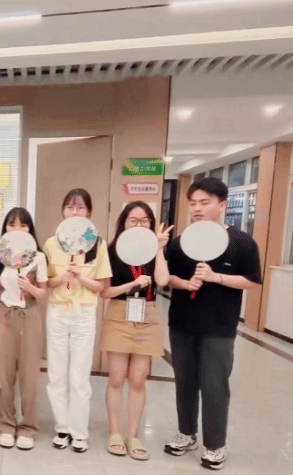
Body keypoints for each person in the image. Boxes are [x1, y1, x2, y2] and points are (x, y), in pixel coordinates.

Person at [163, 177, 261, 470]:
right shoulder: (180, 243)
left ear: (222, 205)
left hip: (219, 327)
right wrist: (183, 282)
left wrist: (216, 277)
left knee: (214, 386)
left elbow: (252, 281)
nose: (197, 209)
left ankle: (215, 445)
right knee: (184, 382)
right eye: (193, 203)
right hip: (181, 323)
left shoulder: (242, 243)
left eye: (204, 203)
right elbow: (166, 277)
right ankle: (186, 433)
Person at [100, 201, 172, 460]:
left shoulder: (154, 251)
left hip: (147, 315)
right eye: (133, 220)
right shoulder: (111, 251)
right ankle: (114, 432)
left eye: (145, 220)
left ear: (151, 224)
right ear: (124, 222)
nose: (139, 224)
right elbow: (105, 292)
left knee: (138, 380)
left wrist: (160, 249)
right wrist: (133, 284)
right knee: (116, 378)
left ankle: (133, 435)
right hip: (119, 314)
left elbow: (162, 280)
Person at [44, 188, 112, 453]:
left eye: (80, 207)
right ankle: (62, 427)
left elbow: (103, 286)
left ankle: (79, 432)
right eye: (70, 207)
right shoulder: (52, 243)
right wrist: (59, 279)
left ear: (89, 212)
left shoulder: (98, 244)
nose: (75, 212)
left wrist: (81, 278)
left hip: (84, 314)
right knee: (56, 373)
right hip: (57, 311)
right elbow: (44, 283)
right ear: (63, 211)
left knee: (80, 376)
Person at [0, 208, 48, 451]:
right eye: (12, 225)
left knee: (29, 375)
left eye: (23, 225)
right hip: (3, 315)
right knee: (6, 374)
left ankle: (28, 427)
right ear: (5, 228)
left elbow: (43, 294)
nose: (17, 229)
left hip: (30, 315)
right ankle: (7, 424)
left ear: (30, 230)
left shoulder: (38, 257)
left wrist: (30, 288)